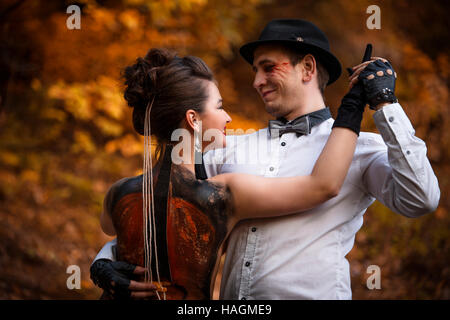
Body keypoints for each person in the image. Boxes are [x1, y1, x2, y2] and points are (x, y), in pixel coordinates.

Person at [91, 19, 440, 300]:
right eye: (255, 71)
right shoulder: (228, 150)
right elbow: (168, 213)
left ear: (307, 68)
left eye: (268, 68)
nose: (257, 81)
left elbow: (420, 200)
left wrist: (386, 105)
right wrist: (105, 262)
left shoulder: (361, 147)